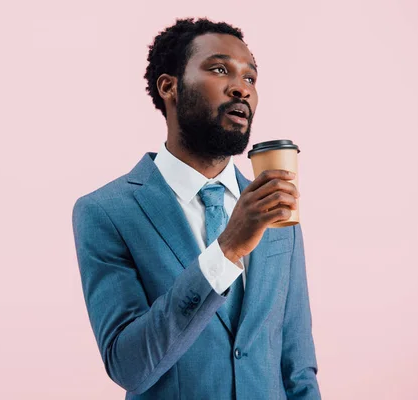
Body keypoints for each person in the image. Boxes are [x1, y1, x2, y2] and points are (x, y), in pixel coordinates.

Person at [72, 17, 321, 399]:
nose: (242, 89)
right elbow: (129, 366)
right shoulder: (106, 212)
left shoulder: (275, 204)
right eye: (220, 70)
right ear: (169, 87)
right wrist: (226, 251)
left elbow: (297, 367)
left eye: (251, 78)